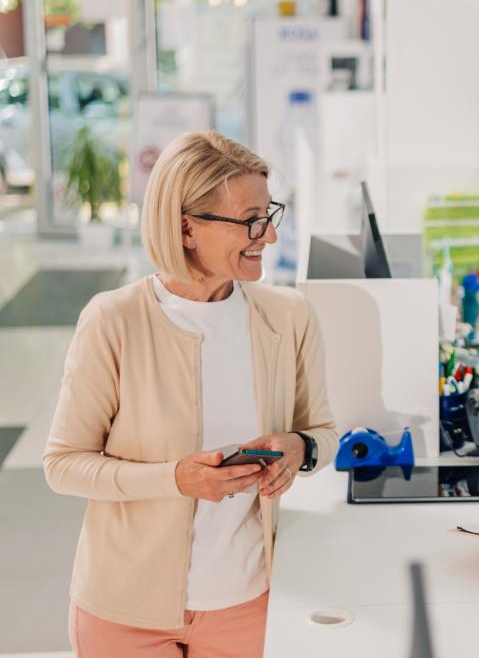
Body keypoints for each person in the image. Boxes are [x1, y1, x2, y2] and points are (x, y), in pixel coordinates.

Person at [43, 131, 339, 657]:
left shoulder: (288, 316)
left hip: (247, 603)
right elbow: (63, 464)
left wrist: (299, 449)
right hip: (124, 611)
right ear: (185, 227)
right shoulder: (113, 320)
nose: (268, 236)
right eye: (250, 219)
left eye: (269, 213)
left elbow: (321, 431)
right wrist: (175, 479)